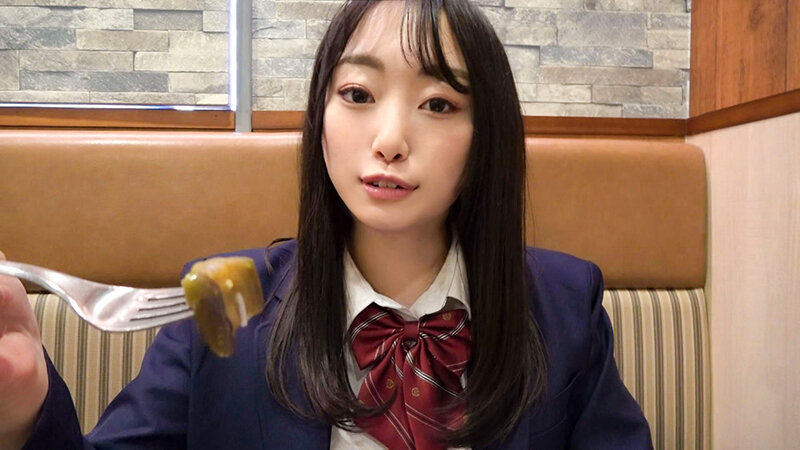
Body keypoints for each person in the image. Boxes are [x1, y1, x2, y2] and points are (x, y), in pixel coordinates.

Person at [0, 0, 652, 448]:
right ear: (321, 116)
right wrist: (24, 412)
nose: (390, 140)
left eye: (438, 103)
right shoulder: (227, 300)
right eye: (358, 95)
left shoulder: (564, 305)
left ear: (487, 137)